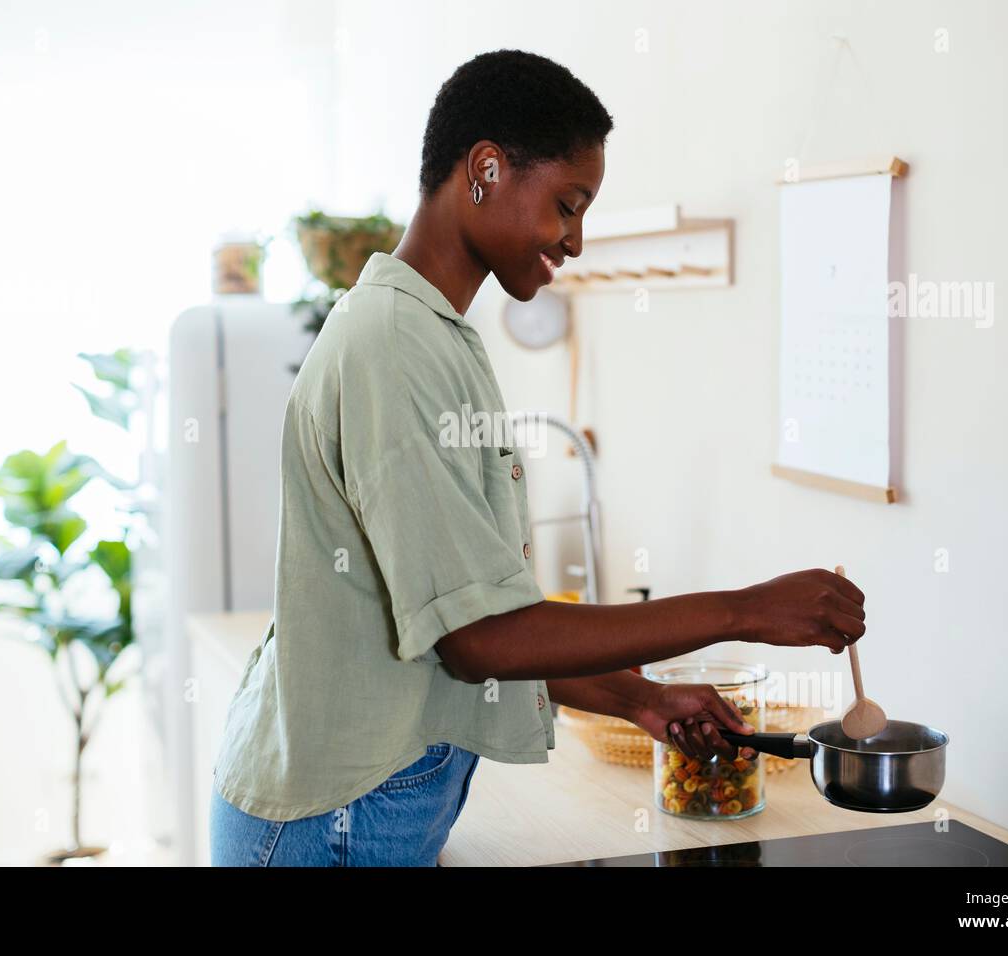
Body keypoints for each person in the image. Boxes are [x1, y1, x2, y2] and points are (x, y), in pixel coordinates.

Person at [209, 49, 865, 867]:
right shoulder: (394, 346)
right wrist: (747, 610)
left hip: (361, 807)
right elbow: (481, 638)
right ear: (485, 169)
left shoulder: (433, 334)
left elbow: (457, 610)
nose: (577, 240)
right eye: (568, 203)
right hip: (335, 822)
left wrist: (641, 698)